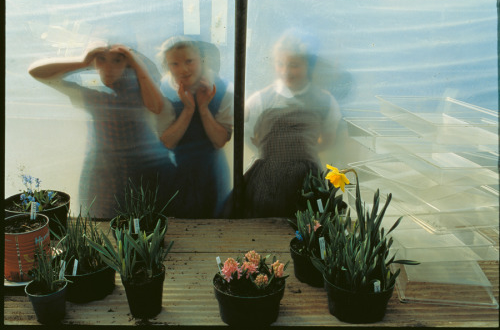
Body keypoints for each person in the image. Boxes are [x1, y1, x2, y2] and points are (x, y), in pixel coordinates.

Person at [28, 41, 174, 220]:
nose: (109, 67)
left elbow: (155, 105)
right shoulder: (95, 96)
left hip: (143, 172)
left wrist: (134, 62)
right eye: (102, 60)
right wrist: (82, 61)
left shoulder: (141, 92)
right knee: (105, 225)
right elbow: (36, 72)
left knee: (143, 224)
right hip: (104, 176)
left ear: (129, 64)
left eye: (117, 61)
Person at [242, 28, 341, 219]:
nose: (286, 71)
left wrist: (303, 154)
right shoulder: (260, 100)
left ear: (308, 65)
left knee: (307, 225)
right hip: (267, 181)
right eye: (280, 64)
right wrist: (270, 154)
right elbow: (247, 134)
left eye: (294, 65)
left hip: (307, 181)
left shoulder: (325, 101)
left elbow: (328, 138)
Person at [156, 36, 233, 218]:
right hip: (176, 169)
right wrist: (189, 109)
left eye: (189, 61)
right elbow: (167, 141)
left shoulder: (223, 88)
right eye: (174, 64)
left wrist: (204, 108)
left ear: (201, 59)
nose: (183, 69)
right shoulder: (163, 89)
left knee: (215, 220)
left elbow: (220, 140)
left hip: (212, 170)